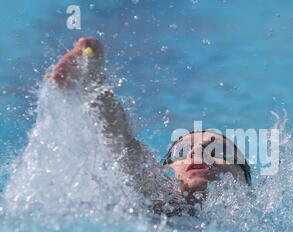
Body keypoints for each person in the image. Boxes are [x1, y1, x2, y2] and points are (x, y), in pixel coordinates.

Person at [48, 37, 251, 212]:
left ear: (242, 179)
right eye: (181, 152)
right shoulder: (153, 207)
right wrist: (94, 83)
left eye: (218, 150)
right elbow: (123, 142)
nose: (196, 152)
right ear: (165, 170)